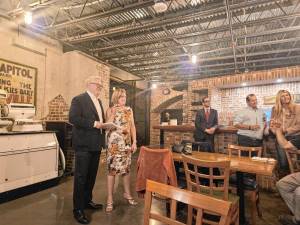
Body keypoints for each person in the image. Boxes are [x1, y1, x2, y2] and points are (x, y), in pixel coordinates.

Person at [69, 75, 106, 224]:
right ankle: (78, 209)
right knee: (81, 177)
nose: (100, 88)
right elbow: (73, 118)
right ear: (89, 84)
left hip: (96, 144)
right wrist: (94, 124)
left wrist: (104, 125)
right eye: (98, 85)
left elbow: (100, 121)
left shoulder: (99, 101)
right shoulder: (78, 99)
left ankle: (87, 201)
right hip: (83, 145)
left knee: (91, 176)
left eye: (101, 85)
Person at [105, 88, 138, 213]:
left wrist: (134, 142)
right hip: (114, 144)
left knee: (126, 170)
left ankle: (127, 194)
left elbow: (132, 126)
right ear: (115, 98)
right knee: (112, 171)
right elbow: (107, 126)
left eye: (124, 96)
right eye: (120, 97)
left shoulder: (129, 110)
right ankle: (110, 199)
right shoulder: (110, 109)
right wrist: (113, 112)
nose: (123, 99)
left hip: (126, 143)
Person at [270, 90, 300, 171]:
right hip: (280, 138)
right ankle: (284, 178)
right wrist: (274, 130)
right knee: (283, 162)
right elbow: (272, 125)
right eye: (283, 96)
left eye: (287, 95)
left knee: (295, 162)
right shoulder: (275, 109)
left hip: (295, 137)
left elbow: (299, 125)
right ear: (279, 99)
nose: (286, 97)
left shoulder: (297, 107)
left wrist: (286, 130)